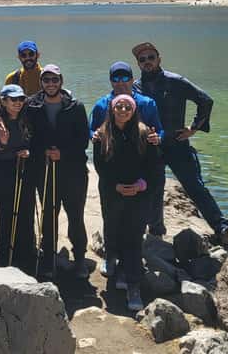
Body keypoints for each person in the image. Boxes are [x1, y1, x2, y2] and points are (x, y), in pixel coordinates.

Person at [131, 42, 228, 248]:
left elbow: (205, 101)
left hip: (177, 144)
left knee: (195, 187)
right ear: (138, 64)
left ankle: (224, 230)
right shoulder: (136, 87)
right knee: (154, 189)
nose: (147, 62)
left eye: (151, 57)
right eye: (142, 59)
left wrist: (193, 128)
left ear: (159, 58)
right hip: (151, 146)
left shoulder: (176, 82)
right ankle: (156, 232)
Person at [89, 62, 162, 276]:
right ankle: (111, 257)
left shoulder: (147, 103)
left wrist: (159, 138)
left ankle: (133, 259)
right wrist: (92, 136)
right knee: (111, 217)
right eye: (116, 79)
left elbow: (159, 132)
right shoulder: (102, 105)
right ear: (111, 81)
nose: (121, 83)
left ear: (132, 79)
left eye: (125, 78)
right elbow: (92, 131)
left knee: (136, 220)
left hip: (139, 170)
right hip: (113, 174)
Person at [25, 64, 91, 279]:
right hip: (45, 171)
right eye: (47, 80)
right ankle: (48, 259)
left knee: (75, 217)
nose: (51, 84)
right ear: (42, 83)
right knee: (48, 217)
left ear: (61, 81)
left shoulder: (76, 106)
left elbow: (83, 140)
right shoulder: (32, 105)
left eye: (55, 80)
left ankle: (79, 259)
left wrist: (62, 153)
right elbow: (27, 134)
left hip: (73, 173)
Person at [93, 94, 158, 312]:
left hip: (138, 194)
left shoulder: (144, 133)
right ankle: (115, 263)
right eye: (118, 106)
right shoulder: (102, 135)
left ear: (133, 110)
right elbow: (100, 166)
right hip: (112, 192)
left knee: (133, 237)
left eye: (127, 107)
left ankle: (133, 285)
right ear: (111, 110)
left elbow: (153, 166)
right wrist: (115, 186)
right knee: (113, 230)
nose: (122, 110)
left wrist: (141, 184)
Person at [0, 85, 35, 274]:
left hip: (25, 171)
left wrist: (30, 152)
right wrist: (3, 147)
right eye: (13, 100)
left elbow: (35, 141)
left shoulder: (27, 117)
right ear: (3, 101)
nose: (18, 103)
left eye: (21, 99)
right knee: (6, 214)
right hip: (3, 173)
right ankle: (6, 256)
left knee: (26, 212)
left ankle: (27, 255)